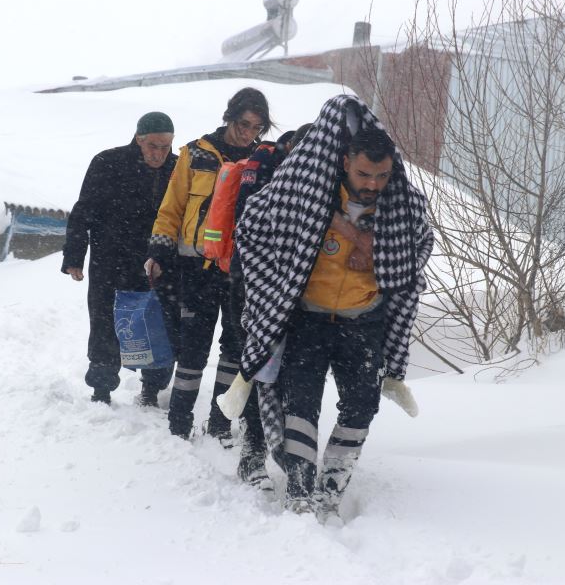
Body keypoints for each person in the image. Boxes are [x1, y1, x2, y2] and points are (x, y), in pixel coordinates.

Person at [236, 95, 433, 521]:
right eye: (364, 173)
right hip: (308, 318)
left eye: (381, 175)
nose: (373, 184)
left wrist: (378, 253)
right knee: (301, 406)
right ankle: (300, 490)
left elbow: (418, 255)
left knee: (362, 405)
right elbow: (250, 228)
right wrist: (277, 283)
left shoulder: (404, 208)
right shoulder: (306, 196)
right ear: (345, 161)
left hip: (363, 324)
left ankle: (332, 485)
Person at [144, 88, 272, 444]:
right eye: (244, 124)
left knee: (234, 346)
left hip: (240, 269)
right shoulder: (195, 152)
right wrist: (159, 249)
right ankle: (179, 421)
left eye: (256, 128)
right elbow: (172, 205)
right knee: (192, 346)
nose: (248, 133)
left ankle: (219, 422)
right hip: (195, 266)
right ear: (229, 116)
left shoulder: (263, 160)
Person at [61, 112, 180, 406]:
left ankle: (151, 390)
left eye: (166, 147)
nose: (159, 153)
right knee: (106, 325)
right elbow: (83, 211)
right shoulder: (108, 163)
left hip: (159, 262)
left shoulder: (179, 169)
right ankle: (101, 390)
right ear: (138, 139)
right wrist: (75, 255)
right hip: (110, 260)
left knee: (158, 325)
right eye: (153, 145)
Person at [229, 124, 312, 490]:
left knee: (293, 377)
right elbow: (246, 229)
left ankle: (291, 453)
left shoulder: (324, 185)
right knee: (260, 365)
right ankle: (251, 454)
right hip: (258, 286)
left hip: (305, 298)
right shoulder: (267, 174)